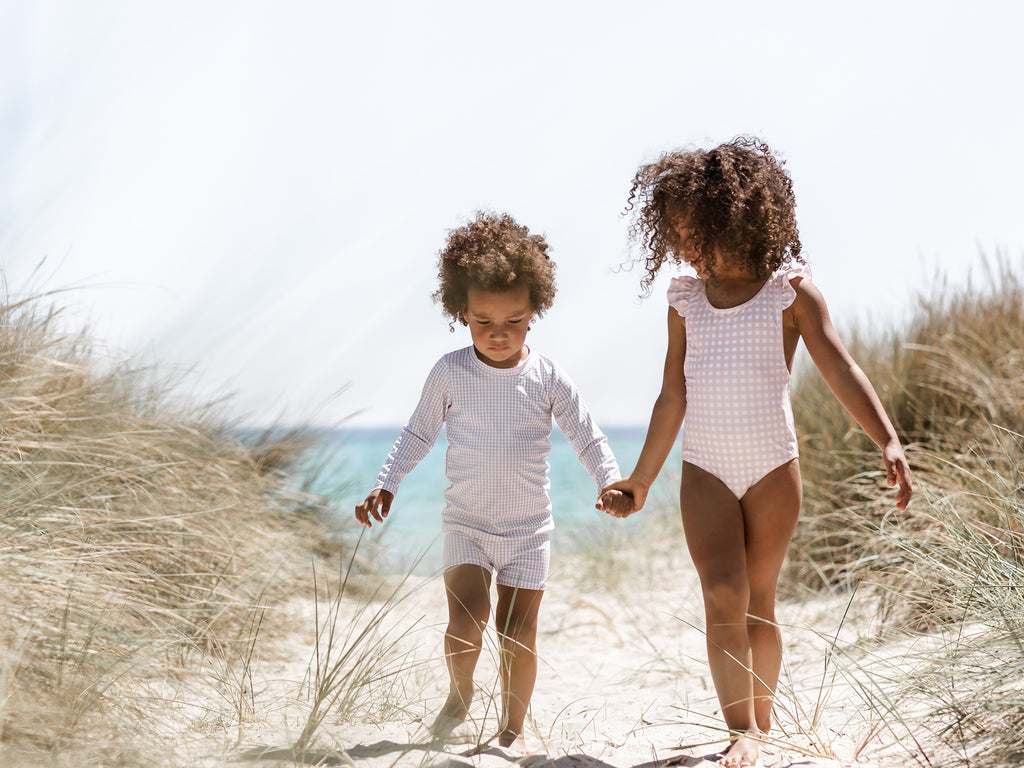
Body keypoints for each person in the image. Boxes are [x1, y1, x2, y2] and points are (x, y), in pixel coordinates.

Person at [599, 137, 913, 768]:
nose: (684, 246)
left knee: (759, 599)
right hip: (703, 471)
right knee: (721, 592)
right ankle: (738, 728)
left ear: (737, 219)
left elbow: (840, 368)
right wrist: (640, 479)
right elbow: (671, 398)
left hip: (774, 468)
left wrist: (888, 438)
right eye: (676, 234)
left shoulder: (790, 294)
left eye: (693, 231)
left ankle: (761, 729)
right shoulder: (685, 300)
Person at [356, 211, 631, 755]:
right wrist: (386, 482)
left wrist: (610, 481)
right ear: (461, 310)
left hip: (529, 531)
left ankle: (512, 728)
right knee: (466, 620)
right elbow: (417, 434)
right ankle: (459, 697)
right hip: (467, 524)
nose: (498, 333)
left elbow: (587, 435)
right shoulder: (450, 372)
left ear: (535, 311)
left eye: (514, 320)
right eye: (483, 321)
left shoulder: (549, 377)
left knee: (516, 632)